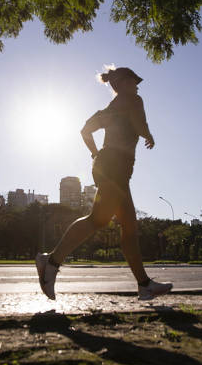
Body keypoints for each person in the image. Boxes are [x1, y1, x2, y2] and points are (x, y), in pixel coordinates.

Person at [36, 66, 173, 301]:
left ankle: (144, 284)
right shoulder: (132, 99)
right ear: (121, 84)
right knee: (98, 219)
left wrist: (95, 154)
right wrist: (149, 135)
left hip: (111, 166)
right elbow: (140, 124)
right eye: (134, 81)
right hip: (116, 167)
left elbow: (85, 131)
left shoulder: (109, 110)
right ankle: (51, 261)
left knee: (129, 229)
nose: (138, 86)